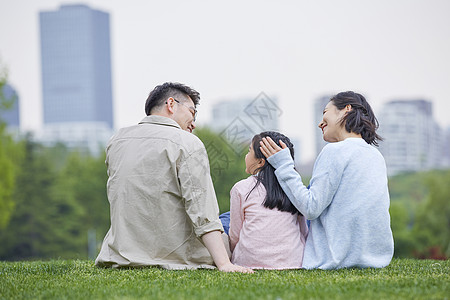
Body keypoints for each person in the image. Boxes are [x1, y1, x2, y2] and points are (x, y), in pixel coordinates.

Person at [95, 82, 252, 273]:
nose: (193, 123)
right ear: (171, 104)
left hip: (122, 254)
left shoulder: (117, 140)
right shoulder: (187, 142)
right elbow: (203, 211)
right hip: (178, 255)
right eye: (192, 112)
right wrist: (224, 264)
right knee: (233, 217)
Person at [260, 91, 394, 269]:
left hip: (336, 257)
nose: (320, 122)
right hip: (375, 258)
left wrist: (283, 165)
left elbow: (311, 207)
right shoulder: (375, 155)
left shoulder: (335, 150)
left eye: (325, 112)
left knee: (236, 215)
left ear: (346, 109)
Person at [229, 131, 308, 269]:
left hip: (247, 262)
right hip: (293, 262)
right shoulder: (294, 187)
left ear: (260, 162)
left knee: (223, 221)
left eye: (249, 151)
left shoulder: (241, 188)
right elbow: (303, 231)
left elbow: (234, 236)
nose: (246, 156)